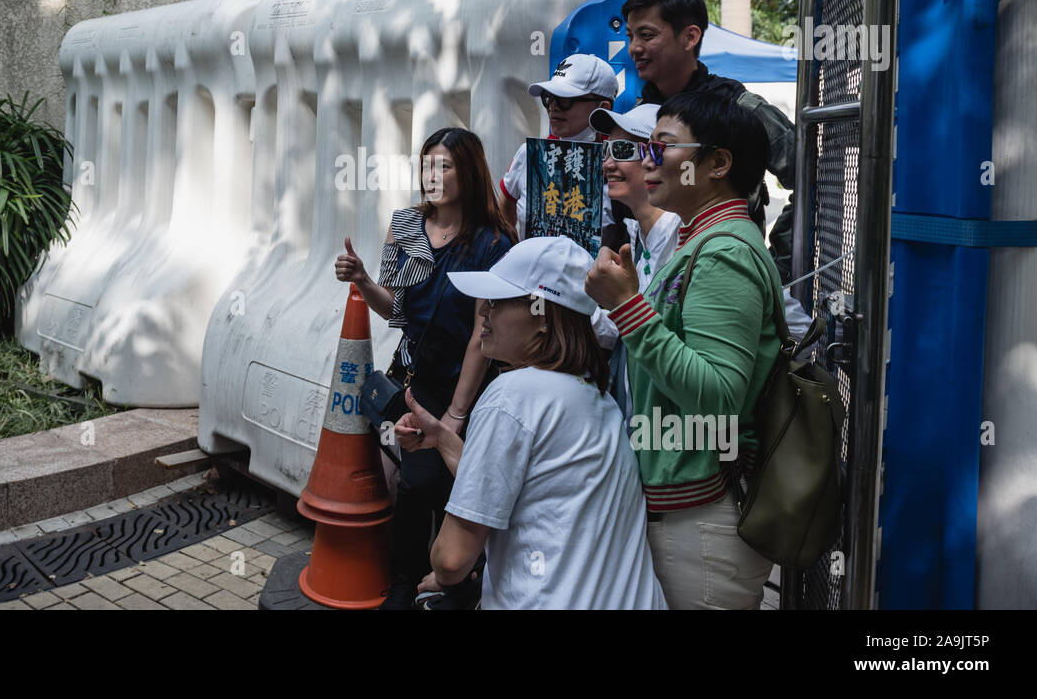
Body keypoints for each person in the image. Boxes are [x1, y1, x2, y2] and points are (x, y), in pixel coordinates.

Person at [584, 91, 783, 610]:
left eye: (663, 146)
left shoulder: (724, 254)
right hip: (691, 508)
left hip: (704, 518)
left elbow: (719, 398)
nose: (646, 159)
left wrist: (627, 307)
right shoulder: (703, 242)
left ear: (717, 164)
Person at [395, 236, 666, 610]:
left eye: (498, 301)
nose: (483, 312)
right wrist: (443, 439)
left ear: (542, 316)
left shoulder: (512, 394)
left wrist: (441, 577)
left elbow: (452, 559)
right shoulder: (596, 395)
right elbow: (511, 489)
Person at [334, 127, 513, 609]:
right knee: (422, 479)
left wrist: (456, 412)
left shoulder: (492, 242)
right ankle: (414, 580)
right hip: (409, 377)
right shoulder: (406, 226)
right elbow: (394, 307)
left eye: (445, 166)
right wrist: (364, 278)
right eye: (428, 165)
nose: (433, 176)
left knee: (439, 480)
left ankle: (446, 579)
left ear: (469, 172)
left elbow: (483, 331)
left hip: (464, 384)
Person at [622, 0, 797, 281]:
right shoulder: (633, 117)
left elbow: (812, 179)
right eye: (630, 36)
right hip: (652, 288)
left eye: (647, 35)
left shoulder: (739, 109)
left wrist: (777, 267)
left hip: (720, 281)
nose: (634, 48)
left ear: (690, 37)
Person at [586, 103, 681, 420]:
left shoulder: (685, 234)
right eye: (606, 150)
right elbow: (625, 328)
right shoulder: (637, 234)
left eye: (623, 150)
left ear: (657, 157)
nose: (608, 163)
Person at [500, 53, 621, 245]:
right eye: (549, 98)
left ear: (603, 108)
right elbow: (506, 205)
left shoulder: (620, 164)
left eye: (565, 99)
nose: (553, 107)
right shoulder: (528, 155)